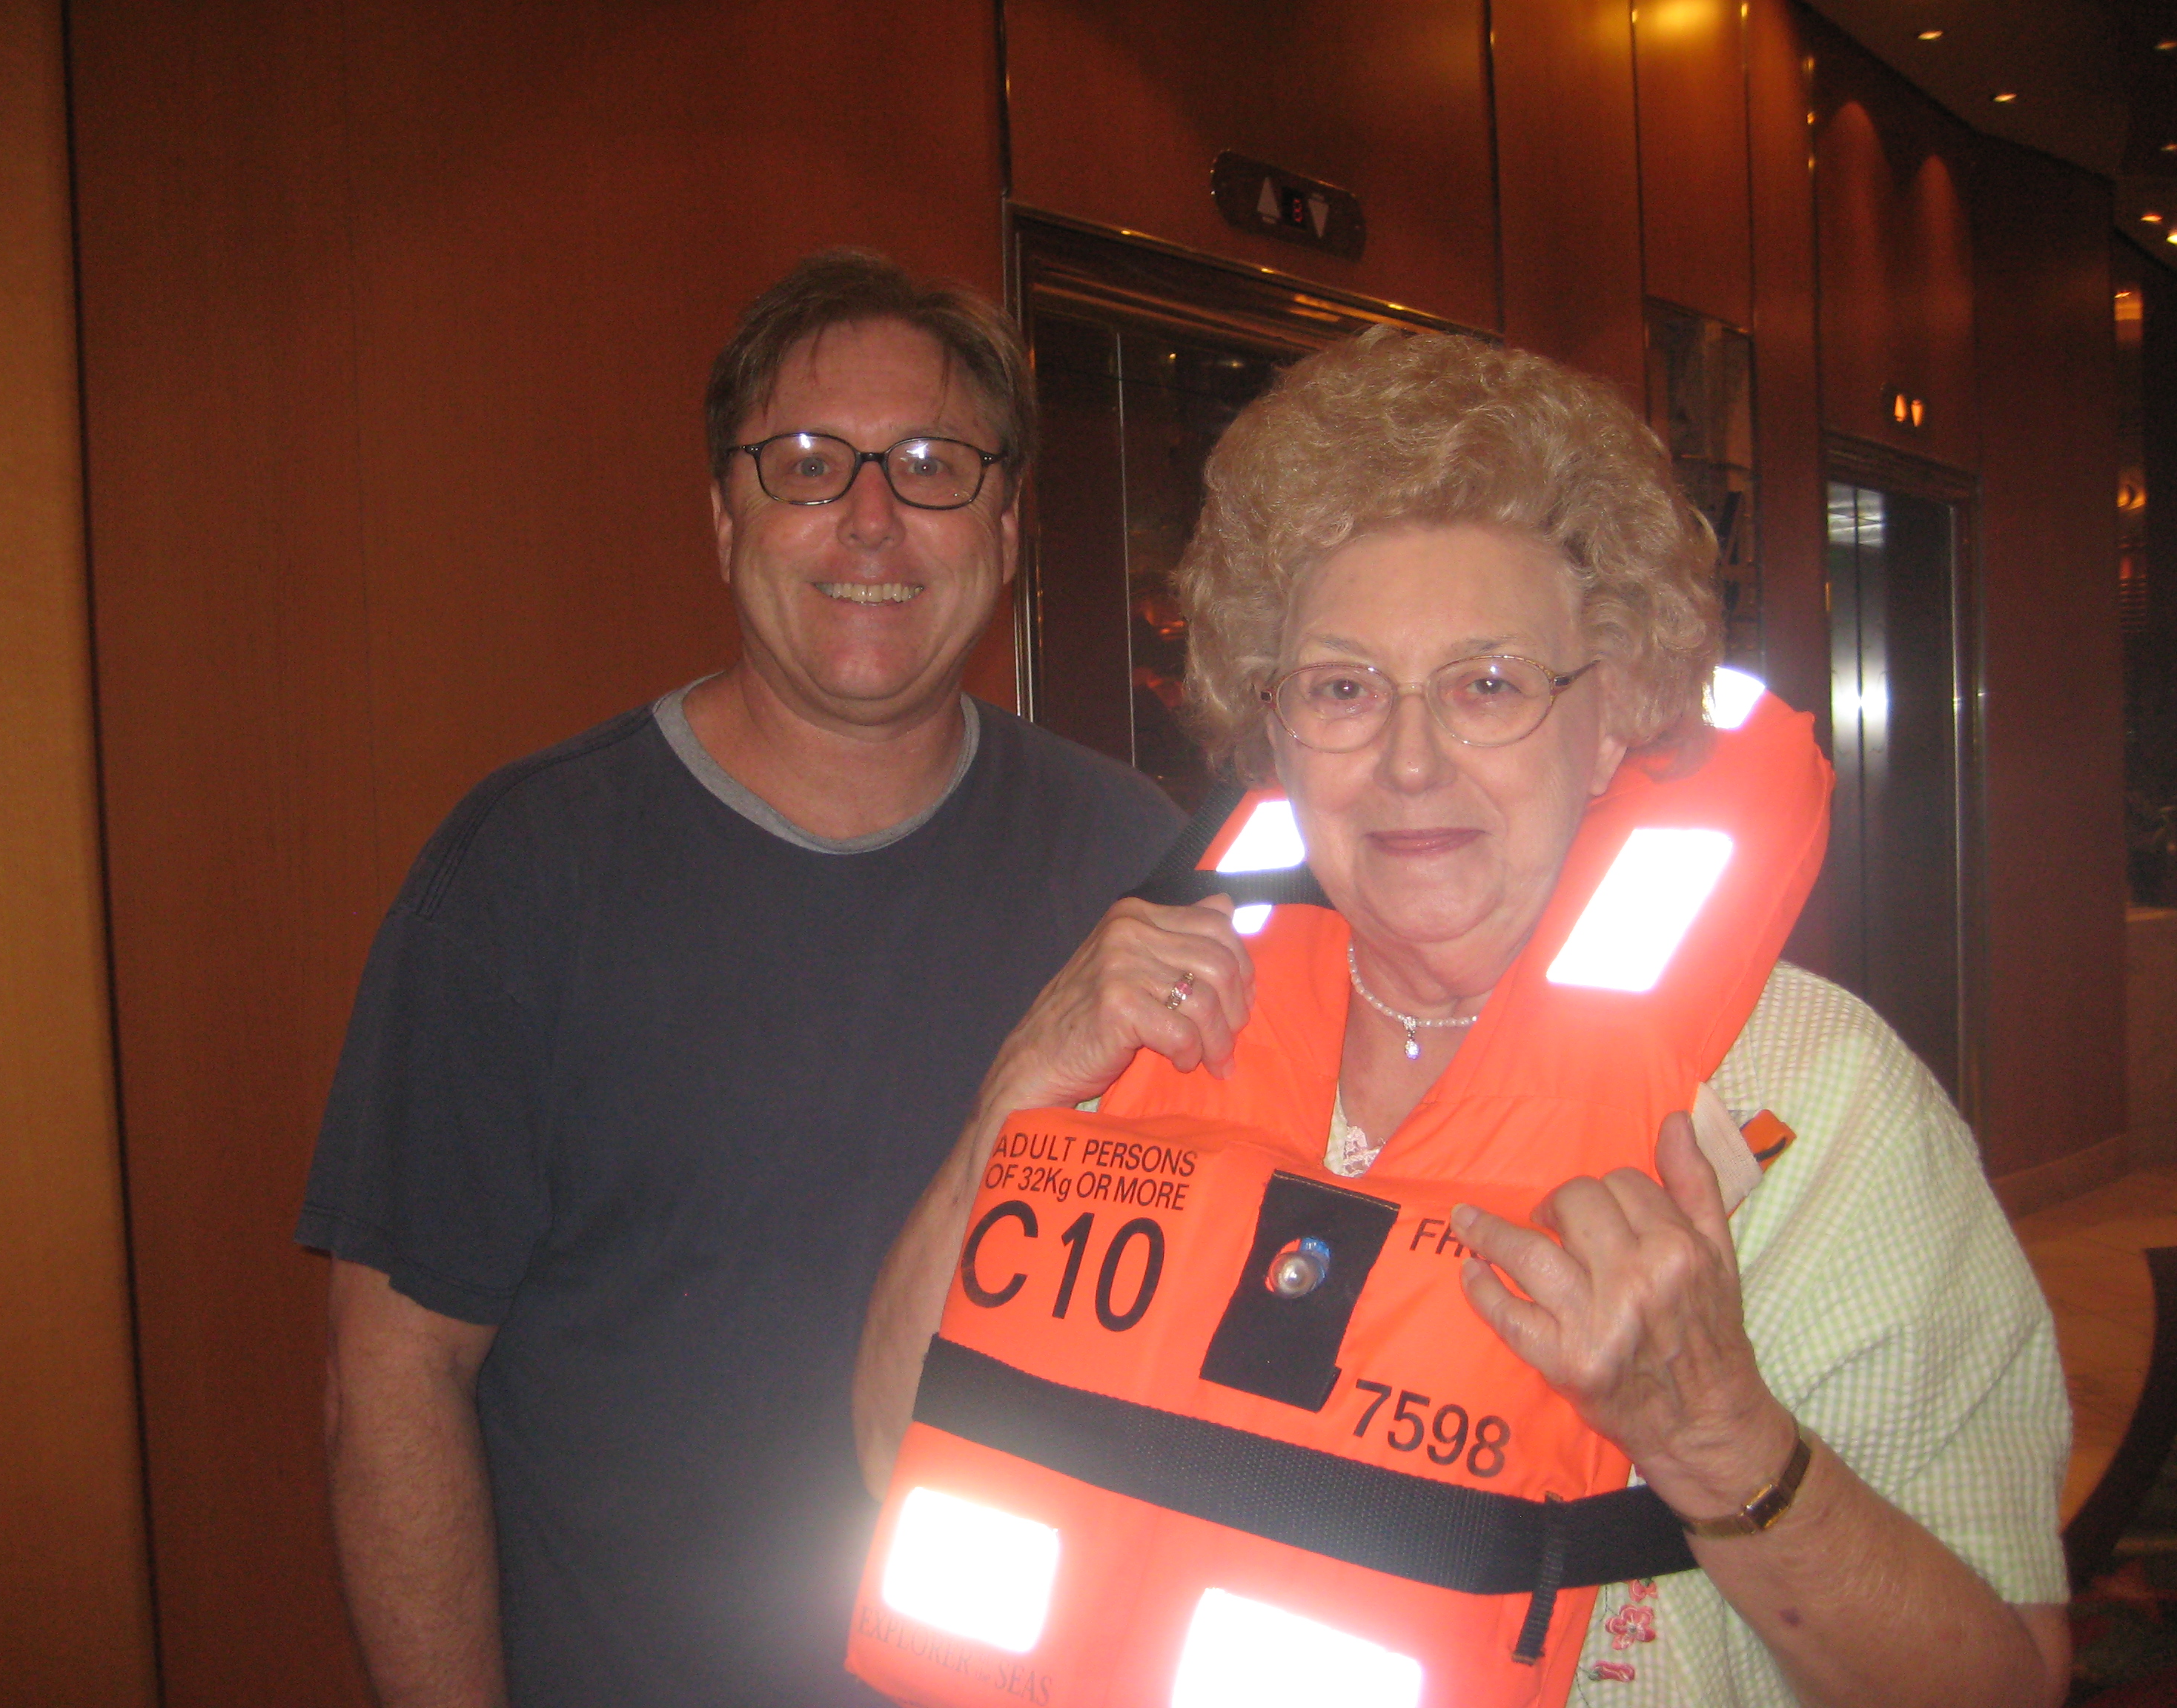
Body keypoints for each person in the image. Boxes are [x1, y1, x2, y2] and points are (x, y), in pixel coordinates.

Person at [855, 329, 2070, 1706]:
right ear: (1273, 727)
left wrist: (1719, 1438)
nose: (1410, 760)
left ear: (1614, 715)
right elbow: (893, 1453)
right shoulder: (1142, 1037)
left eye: (1489, 684)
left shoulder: (1820, 1103)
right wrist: (1012, 1103)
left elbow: (2006, 1687)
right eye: (1342, 688)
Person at [299, 250, 1183, 1707]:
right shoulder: (528, 872)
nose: (872, 517)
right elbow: (393, 1383)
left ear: (1008, 524)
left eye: (932, 465)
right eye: (808, 465)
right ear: (725, 521)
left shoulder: (1137, 866)